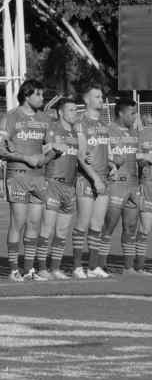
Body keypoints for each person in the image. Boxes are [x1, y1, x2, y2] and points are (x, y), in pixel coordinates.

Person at [0, 79, 48, 282]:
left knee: (34, 223)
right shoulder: (10, 117)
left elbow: (49, 148)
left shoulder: (44, 119)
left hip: (39, 177)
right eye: (38, 94)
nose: (42, 98)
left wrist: (50, 154)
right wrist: (25, 158)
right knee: (18, 222)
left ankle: (29, 270)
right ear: (26, 95)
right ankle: (13, 270)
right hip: (17, 176)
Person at [35, 97, 79, 280]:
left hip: (70, 186)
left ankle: (56, 268)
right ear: (61, 112)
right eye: (71, 110)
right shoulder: (52, 128)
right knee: (47, 229)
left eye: (76, 110)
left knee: (62, 232)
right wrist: (51, 145)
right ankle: (42, 268)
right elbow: (38, 151)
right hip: (53, 183)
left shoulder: (75, 133)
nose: (75, 113)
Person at [73, 84, 111, 279]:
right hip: (86, 179)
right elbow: (80, 156)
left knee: (97, 225)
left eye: (102, 97)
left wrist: (112, 164)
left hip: (103, 180)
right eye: (97, 97)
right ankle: (77, 266)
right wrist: (95, 179)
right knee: (83, 223)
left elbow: (105, 151)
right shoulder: (80, 123)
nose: (101, 100)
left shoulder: (104, 124)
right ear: (86, 100)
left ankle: (93, 266)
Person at [100, 98, 140, 275]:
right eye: (132, 113)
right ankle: (100, 264)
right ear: (121, 113)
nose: (135, 116)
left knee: (131, 227)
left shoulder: (134, 132)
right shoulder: (107, 131)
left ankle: (129, 268)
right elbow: (98, 155)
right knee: (109, 225)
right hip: (116, 184)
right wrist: (110, 162)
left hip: (133, 185)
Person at [136, 113, 152, 275]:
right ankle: (139, 266)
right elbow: (135, 157)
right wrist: (144, 158)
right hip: (148, 185)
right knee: (145, 228)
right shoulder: (143, 134)